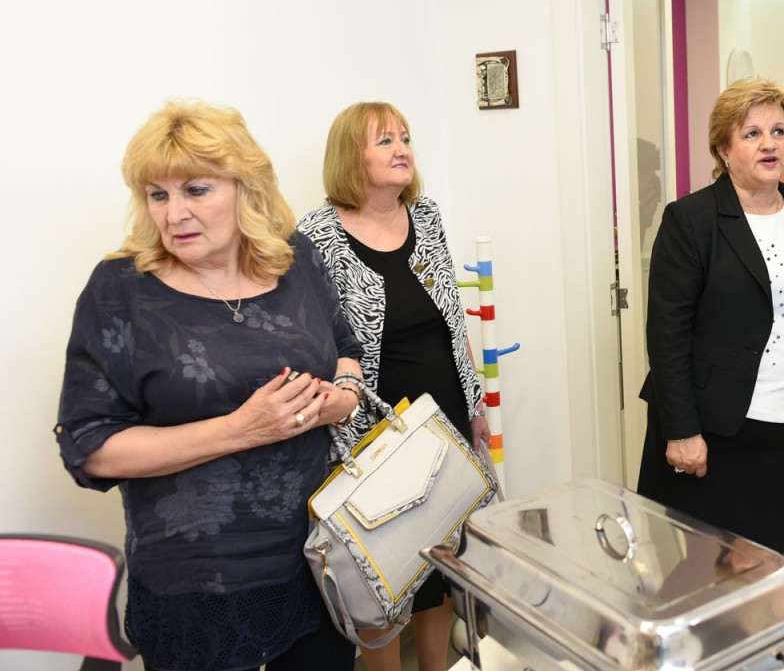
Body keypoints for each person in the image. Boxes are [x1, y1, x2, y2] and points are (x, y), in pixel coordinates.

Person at [55, 101, 364, 671]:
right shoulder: (120, 290)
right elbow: (90, 448)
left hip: (320, 559)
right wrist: (240, 430)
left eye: (196, 190)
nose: (174, 214)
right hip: (198, 588)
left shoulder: (295, 260)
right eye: (158, 195)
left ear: (247, 189)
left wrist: (341, 401)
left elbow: (347, 349)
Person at [298, 102, 489, 671]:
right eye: (385, 140)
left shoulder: (424, 215)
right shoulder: (317, 235)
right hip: (373, 432)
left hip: (443, 416)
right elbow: (317, 343)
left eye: (404, 137)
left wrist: (475, 403)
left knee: (441, 560)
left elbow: (452, 317)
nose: (402, 148)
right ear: (350, 156)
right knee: (381, 573)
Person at [636, 79, 784, 553]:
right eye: (752, 134)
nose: (770, 143)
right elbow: (667, 334)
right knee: (697, 571)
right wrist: (682, 431)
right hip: (712, 430)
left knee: (761, 562)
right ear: (723, 149)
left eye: (778, 131)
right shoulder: (691, 219)